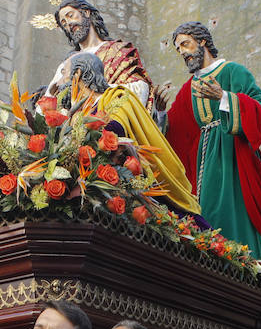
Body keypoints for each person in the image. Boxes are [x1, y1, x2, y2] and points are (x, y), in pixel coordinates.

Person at [164, 22, 261, 261]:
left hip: (234, 158)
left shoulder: (233, 72)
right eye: (178, 49)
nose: (183, 52)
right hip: (202, 165)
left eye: (185, 44)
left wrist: (225, 98)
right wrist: (160, 115)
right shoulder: (188, 88)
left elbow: (259, 109)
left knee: (237, 213)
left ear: (202, 42)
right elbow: (176, 130)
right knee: (205, 214)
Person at [65, 52, 199, 215]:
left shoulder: (116, 96)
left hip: (130, 184)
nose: (61, 81)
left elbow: (116, 129)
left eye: (64, 73)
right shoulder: (77, 114)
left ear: (77, 74)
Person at [41, 0, 154, 107]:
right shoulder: (65, 65)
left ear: (86, 12)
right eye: (64, 23)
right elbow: (45, 106)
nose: (69, 23)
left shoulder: (117, 51)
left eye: (70, 15)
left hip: (110, 119)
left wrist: (95, 91)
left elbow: (140, 90)